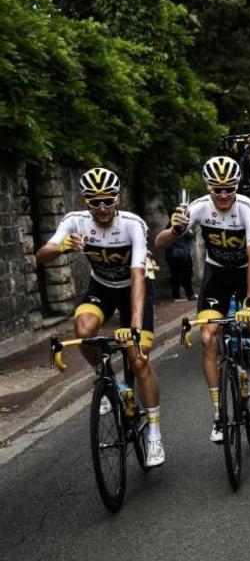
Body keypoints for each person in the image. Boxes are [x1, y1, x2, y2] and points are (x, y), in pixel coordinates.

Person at [35, 168, 164, 467]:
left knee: (138, 358)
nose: (103, 209)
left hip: (135, 287)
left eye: (108, 201)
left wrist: (132, 327)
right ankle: (109, 382)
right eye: (95, 203)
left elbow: (138, 275)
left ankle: (155, 434)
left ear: (117, 199)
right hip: (102, 288)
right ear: (86, 202)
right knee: (84, 331)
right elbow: (42, 255)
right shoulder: (74, 221)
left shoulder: (133, 224)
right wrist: (61, 247)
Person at [154, 156, 250, 444]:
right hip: (216, 276)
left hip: (246, 272)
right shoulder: (197, 208)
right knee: (208, 337)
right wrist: (176, 229)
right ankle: (219, 414)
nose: (223, 195)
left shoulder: (246, 208)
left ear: (236, 187)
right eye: (217, 189)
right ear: (208, 187)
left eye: (229, 189)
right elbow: (159, 243)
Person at [164, 229, 196, 301]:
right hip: (179, 255)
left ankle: (184, 295)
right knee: (181, 276)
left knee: (182, 276)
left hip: (180, 255)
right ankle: (186, 295)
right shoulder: (177, 227)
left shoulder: (185, 228)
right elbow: (189, 236)